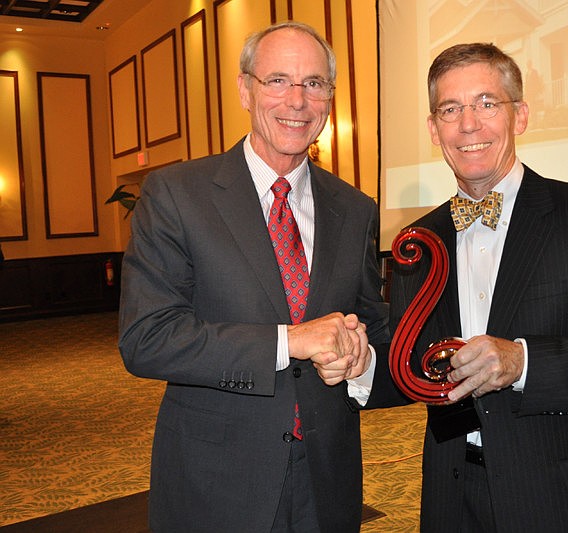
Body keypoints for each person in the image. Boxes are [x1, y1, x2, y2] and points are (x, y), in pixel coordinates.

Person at [370, 43, 568, 532]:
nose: (468, 124)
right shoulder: (417, 242)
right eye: (450, 109)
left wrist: (521, 362)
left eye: (486, 103)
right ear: (433, 127)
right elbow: (412, 365)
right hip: (452, 496)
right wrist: (361, 367)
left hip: (565, 499)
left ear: (519, 116)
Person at [118, 22, 388, 533]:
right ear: (245, 89)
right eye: (278, 80)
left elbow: (371, 324)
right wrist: (290, 341)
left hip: (328, 478)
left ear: (329, 98)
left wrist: (361, 355)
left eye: (314, 84)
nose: (298, 100)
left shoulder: (356, 209)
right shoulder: (177, 194)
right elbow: (146, 339)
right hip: (216, 478)